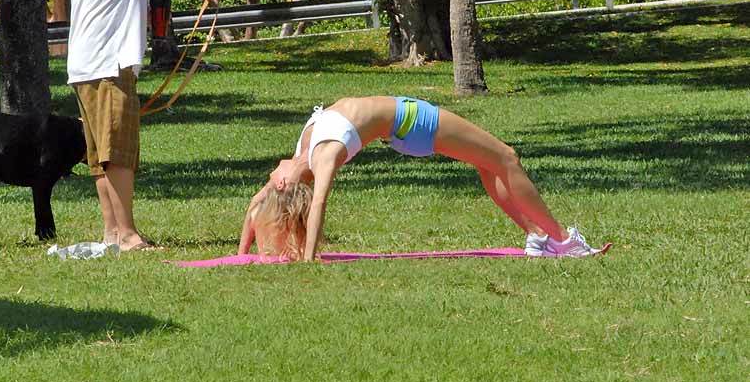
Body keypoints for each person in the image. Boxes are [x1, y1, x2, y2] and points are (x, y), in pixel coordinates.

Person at [239, 96, 598, 261]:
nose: (270, 174)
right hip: (414, 123)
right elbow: (318, 203)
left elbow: (256, 205)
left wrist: (241, 256)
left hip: (404, 128)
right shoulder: (322, 156)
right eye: (272, 179)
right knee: (506, 157)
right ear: (285, 185)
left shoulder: (299, 155)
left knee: (488, 164)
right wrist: (308, 261)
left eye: (269, 177)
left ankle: (537, 237)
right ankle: (563, 240)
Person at [67, 0, 223, 251]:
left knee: (101, 156)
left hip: (86, 65)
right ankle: (129, 236)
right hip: (108, 63)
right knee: (119, 153)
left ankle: (113, 233)